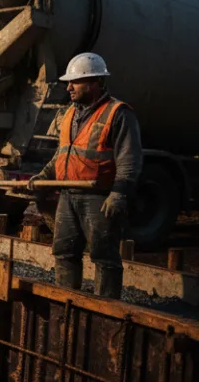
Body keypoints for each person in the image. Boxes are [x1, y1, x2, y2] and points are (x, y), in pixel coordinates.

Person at [27, 52, 142, 299]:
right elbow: (62, 154)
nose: (68, 87)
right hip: (68, 195)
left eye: (75, 82)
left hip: (98, 197)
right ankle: (67, 304)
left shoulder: (117, 113)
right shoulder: (70, 113)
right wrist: (44, 176)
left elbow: (129, 160)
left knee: (103, 255)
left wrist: (118, 194)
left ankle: (106, 309)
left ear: (95, 82)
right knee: (64, 251)